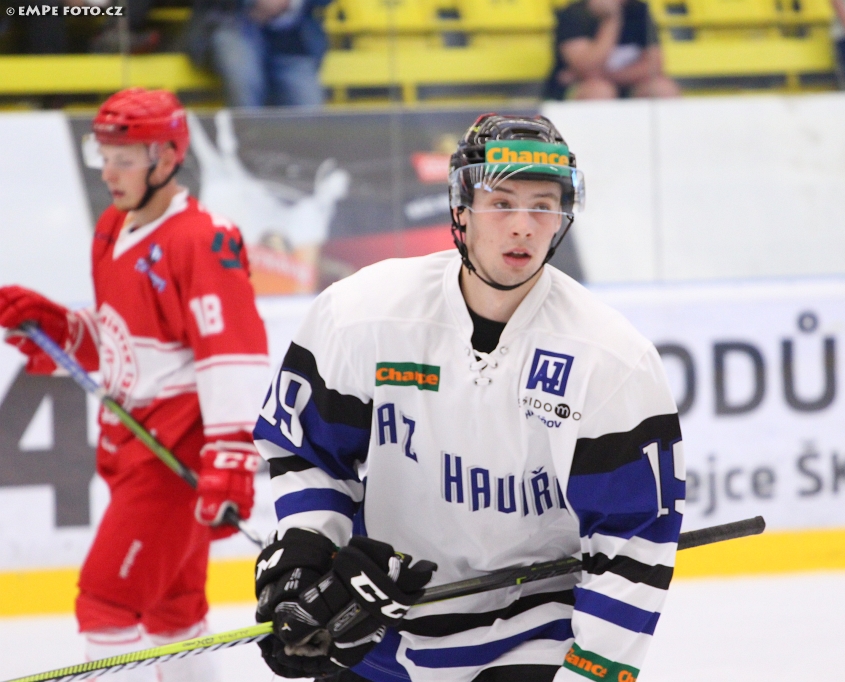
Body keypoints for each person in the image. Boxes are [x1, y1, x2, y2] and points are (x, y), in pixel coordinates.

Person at [251, 113, 686, 682]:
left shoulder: (609, 358)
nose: (524, 226)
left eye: (543, 205)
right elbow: (308, 452)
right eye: (502, 204)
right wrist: (309, 553)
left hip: (529, 634)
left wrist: (593, 674)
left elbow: (632, 538)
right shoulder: (364, 313)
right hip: (379, 624)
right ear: (462, 209)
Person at [0, 88, 269, 681]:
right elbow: (125, 340)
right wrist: (61, 329)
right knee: (174, 609)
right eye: (104, 156)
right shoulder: (111, 229)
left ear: (167, 158)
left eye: (124, 158)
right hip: (133, 446)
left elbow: (232, 352)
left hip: (173, 454)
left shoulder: (202, 239)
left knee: (106, 602)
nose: (109, 172)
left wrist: (231, 459)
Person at [186, 0, 329, 107]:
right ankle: (246, 138)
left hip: (292, 38)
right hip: (230, 24)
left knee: (309, 107)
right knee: (243, 78)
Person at [544, 0, 680, 100]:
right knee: (599, 91)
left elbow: (654, 65)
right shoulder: (573, 14)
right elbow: (586, 67)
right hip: (580, 89)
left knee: (663, 89)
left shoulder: (639, 11)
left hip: (627, 85)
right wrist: (610, 20)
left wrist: (608, 76)